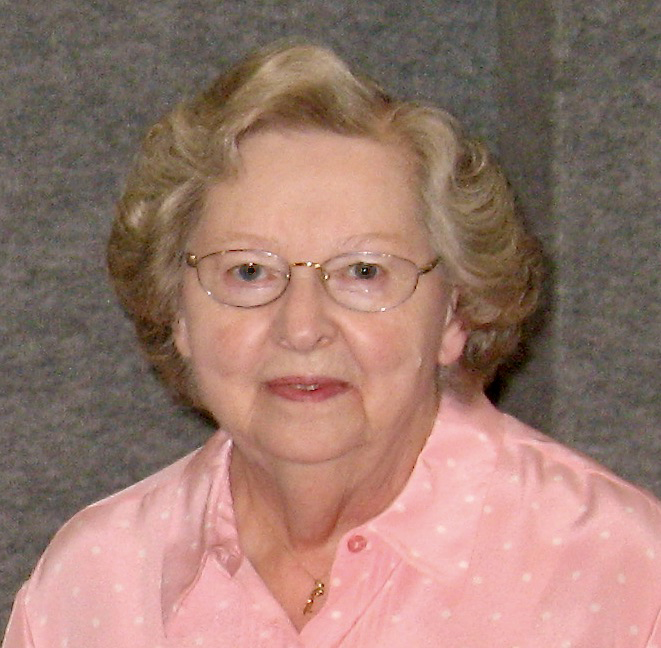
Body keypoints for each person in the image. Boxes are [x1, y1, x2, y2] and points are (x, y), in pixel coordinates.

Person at [3, 41, 660, 648]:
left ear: (455, 312)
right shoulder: (94, 583)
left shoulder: (620, 575)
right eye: (248, 272)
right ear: (177, 311)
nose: (301, 327)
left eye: (364, 272)